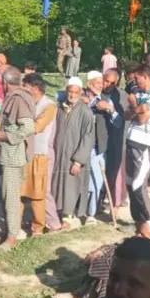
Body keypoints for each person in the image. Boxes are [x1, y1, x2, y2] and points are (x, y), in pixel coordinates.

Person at [53, 218, 150, 298]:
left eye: (142, 235)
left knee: (108, 269)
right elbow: (118, 245)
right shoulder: (138, 244)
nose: (137, 235)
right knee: (106, 260)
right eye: (138, 231)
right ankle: (81, 292)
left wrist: (98, 260)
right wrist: (101, 251)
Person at [0, 66, 35, 250]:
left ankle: (12, 236)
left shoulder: (18, 100)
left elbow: (27, 128)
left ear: (5, 83)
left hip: (14, 156)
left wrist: (5, 136)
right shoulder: (16, 97)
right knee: (5, 195)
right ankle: (6, 232)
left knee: (11, 197)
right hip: (8, 155)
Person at [125, 65, 150, 226]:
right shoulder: (142, 94)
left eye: (137, 78)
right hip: (133, 141)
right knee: (129, 183)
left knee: (138, 185)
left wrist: (135, 105)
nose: (135, 82)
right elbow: (127, 115)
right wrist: (136, 109)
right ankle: (139, 223)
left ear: (145, 77)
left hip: (145, 145)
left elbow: (143, 117)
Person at [53, 77, 95, 229]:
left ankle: (67, 217)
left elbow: (88, 138)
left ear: (80, 92)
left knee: (71, 186)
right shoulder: (60, 108)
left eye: (75, 92)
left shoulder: (85, 112)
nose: (72, 95)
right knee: (57, 184)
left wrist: (78, 161)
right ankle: (56, 212)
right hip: (59, 155)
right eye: (69, 92)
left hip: (74, 157)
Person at [21, 74, 60, 235]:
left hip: (41, 154)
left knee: (40, 192)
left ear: (35, 88)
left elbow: (38, 126)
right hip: (28, 152)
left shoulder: (49, 106)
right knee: (25, 191)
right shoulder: (29, 103)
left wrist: (17, 129)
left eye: (26, 87)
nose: (24, 90)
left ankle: (48, 225)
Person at [100, 69, 129, 205]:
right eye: (106, 81)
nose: (108, 85)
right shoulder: (98, 93)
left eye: (112, 83)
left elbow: (123, 119)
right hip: (101, 137)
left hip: (118, 138)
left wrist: (110, 109)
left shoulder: (122, 96)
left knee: (117, 171)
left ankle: (119, 198)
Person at [85, 71, 110, 221]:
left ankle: (91, 213)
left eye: (101, 82)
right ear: (89, 84)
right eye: (97, 82)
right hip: (82, 146)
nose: (100, 85)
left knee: (96, 180)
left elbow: (117, 121)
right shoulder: (81, 99)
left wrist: (109, 108)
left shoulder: (106, 100)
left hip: (98, 146)